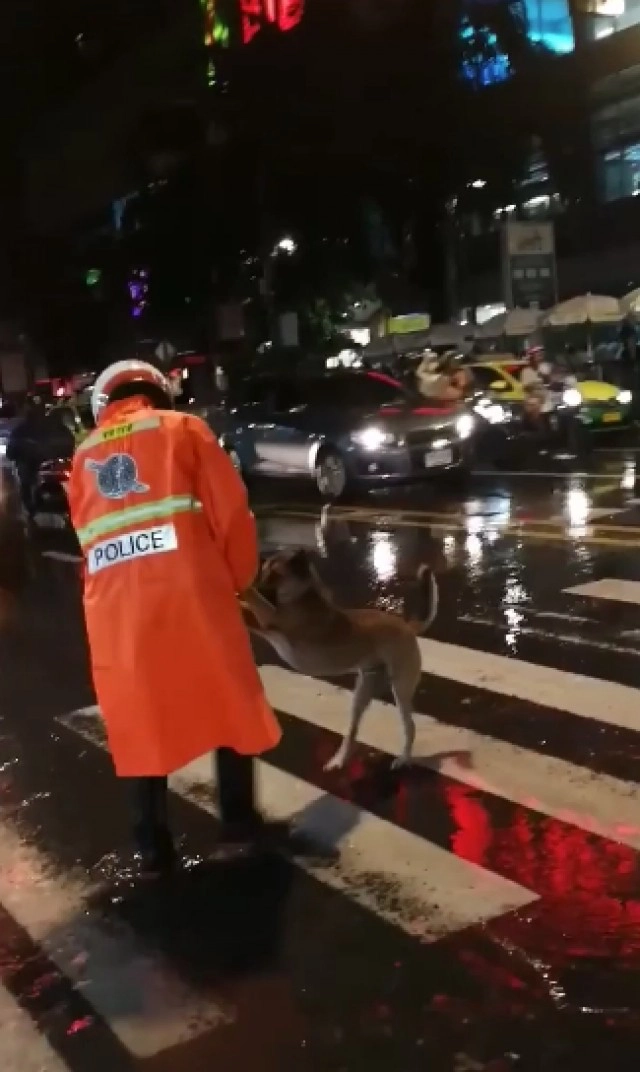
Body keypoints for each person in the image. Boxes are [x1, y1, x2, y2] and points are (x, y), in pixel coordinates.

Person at [66, 360, 282, 875]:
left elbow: (89, 540)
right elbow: (231, 514)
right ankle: (237, 826)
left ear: (104, 404)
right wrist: (238, 579)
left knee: (139, 719)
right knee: (227, 702)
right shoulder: (184, 429)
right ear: (160, 392)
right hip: (194, 599)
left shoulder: (84, 456)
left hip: (118, 614)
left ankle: (151, 848)